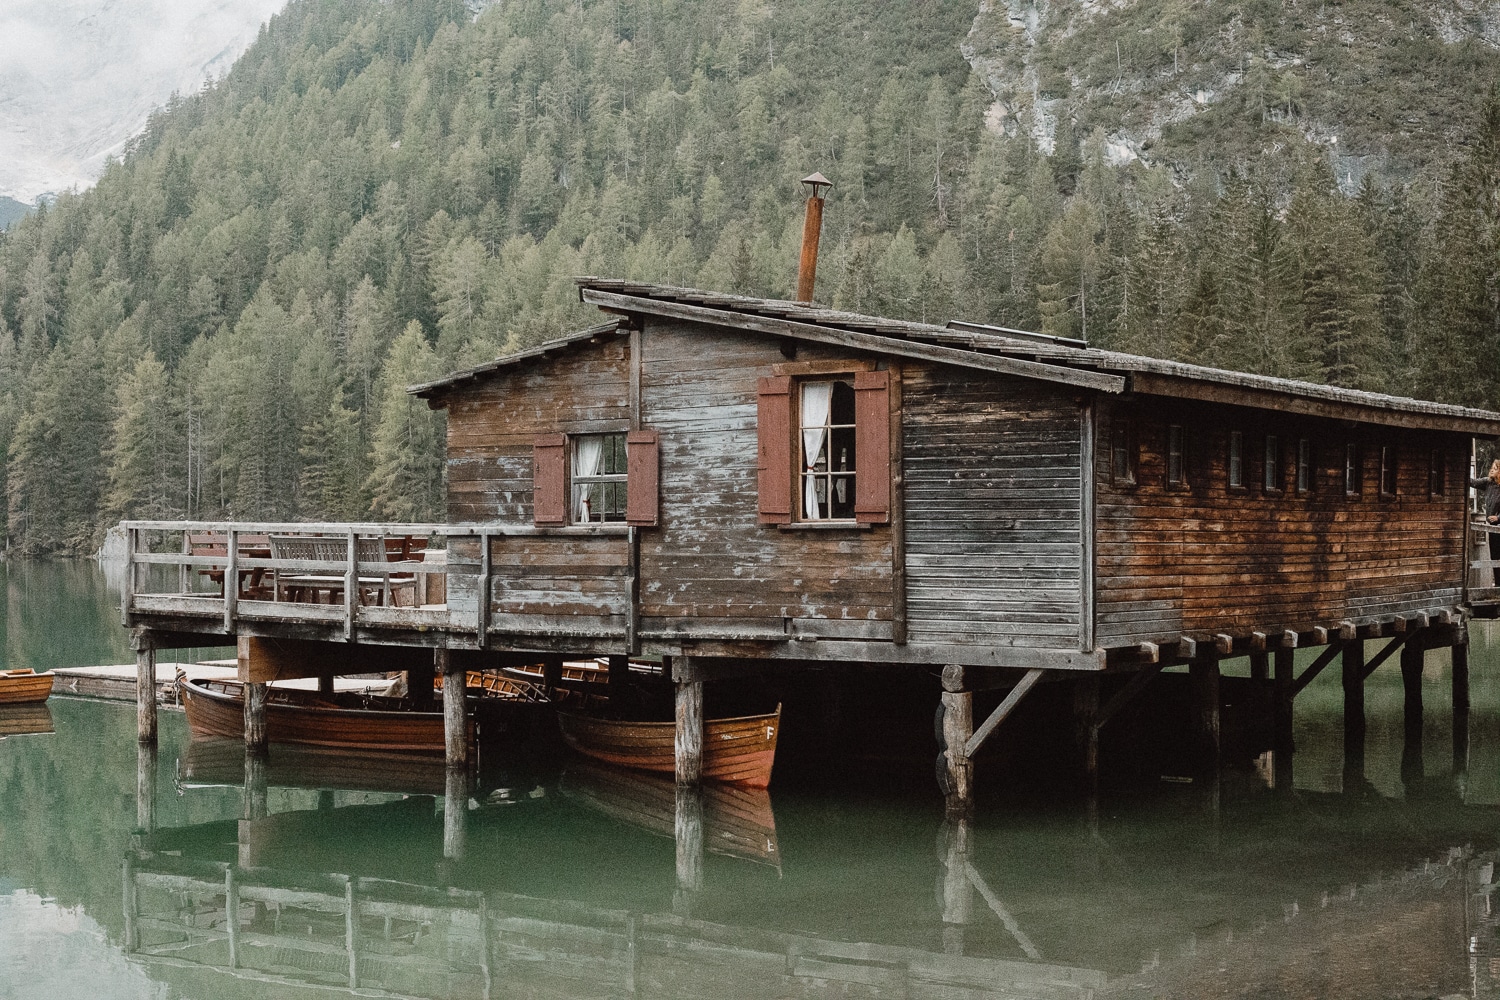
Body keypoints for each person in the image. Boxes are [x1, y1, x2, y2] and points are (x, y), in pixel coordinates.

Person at [1472, 460, 1500, 584]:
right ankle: (1498, 585)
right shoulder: (1488, 483)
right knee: (1494, 555)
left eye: (1495, 468)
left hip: (1498, 525)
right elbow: (1472, 482)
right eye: (1492, 467)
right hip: (1492, 528)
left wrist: (1499, 518)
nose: (1492, 470)